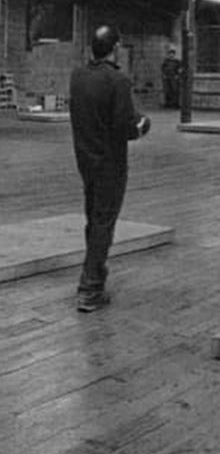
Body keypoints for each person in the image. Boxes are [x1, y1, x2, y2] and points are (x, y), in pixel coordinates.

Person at [69, 25, 151, 312]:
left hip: (85, 159)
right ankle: (90, 288)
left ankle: (95, 276)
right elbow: (126, 126)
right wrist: (143, 124)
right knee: (104, 222)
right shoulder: (118, 80)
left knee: (94, 218)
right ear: (115, 49)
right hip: (110, 163)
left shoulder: (77, 77)